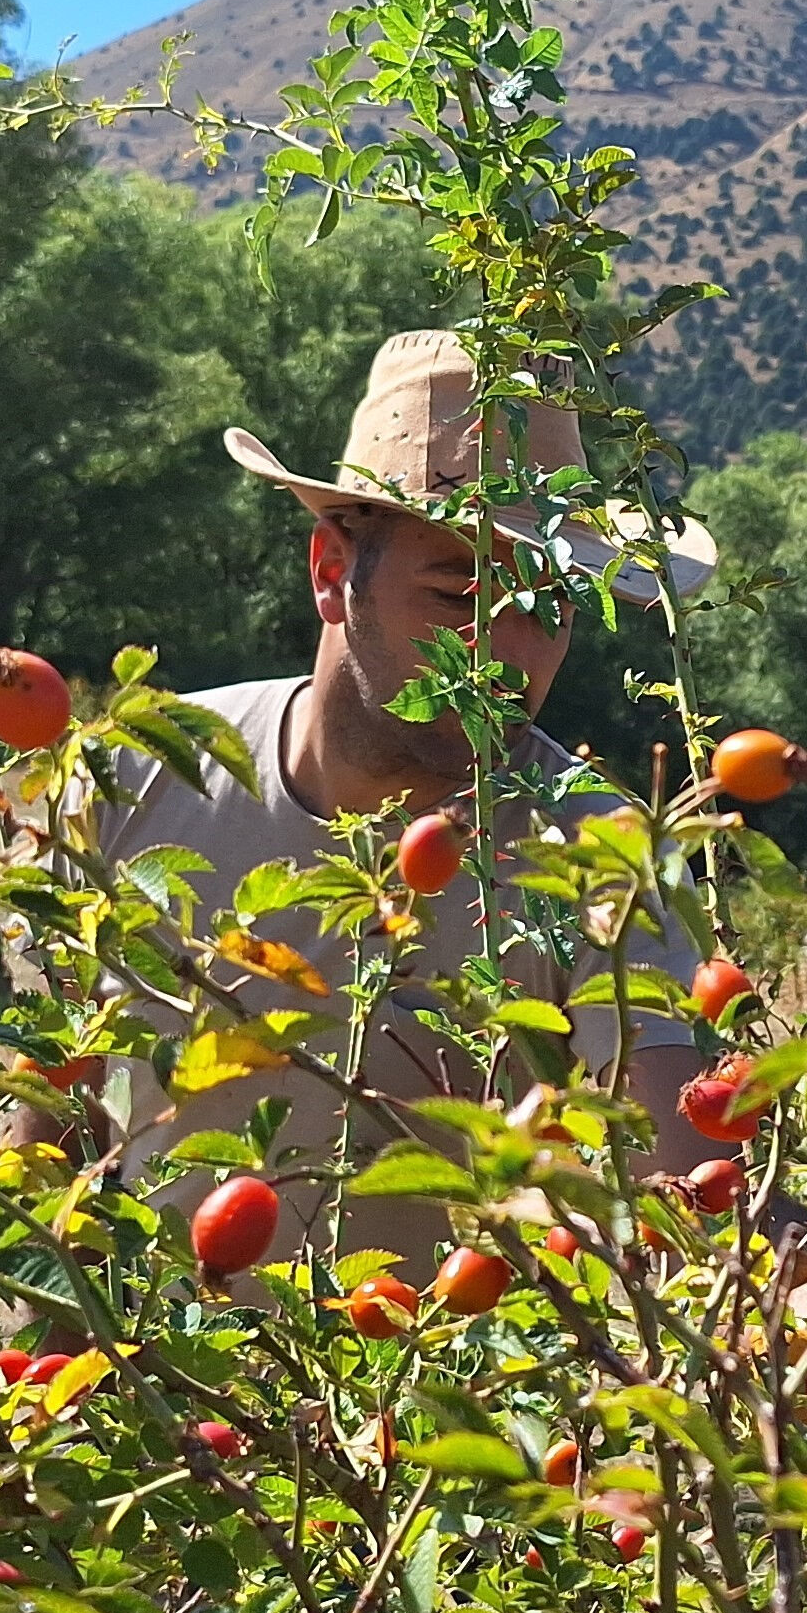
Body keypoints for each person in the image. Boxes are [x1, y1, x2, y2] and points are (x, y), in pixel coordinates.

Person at [64, 329, 727, 1259]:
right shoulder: (140, 772)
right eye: (461, 597)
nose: (508, 655)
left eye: (551, 609)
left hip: (413, 1394)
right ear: (334, 574)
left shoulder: (602, 851)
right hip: (150, 1382)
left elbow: (689, 1170)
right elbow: (55, 1093)